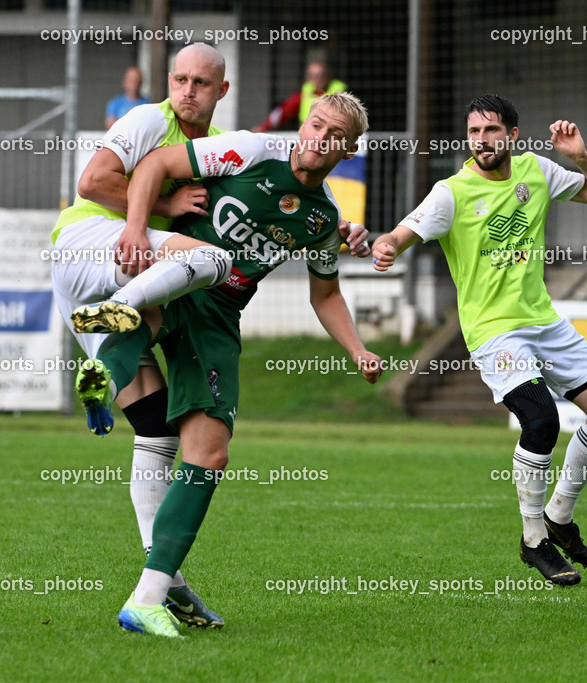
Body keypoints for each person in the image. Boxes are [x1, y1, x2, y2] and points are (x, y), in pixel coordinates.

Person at [71, 92, 382, 637]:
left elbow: (325, 294)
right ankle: (105, 369)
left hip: (219, 318)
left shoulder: (323, 218)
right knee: (154, 312)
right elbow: (156, 164)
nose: (319, 139)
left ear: (349, 150)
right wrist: (139, 228)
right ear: (304, 125)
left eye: (335, 136)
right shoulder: (251, 150)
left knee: (208, 455)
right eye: (316, 125)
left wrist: (356, 350)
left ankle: (147, 599)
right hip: (175, 269)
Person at [371, 94, 587, 586]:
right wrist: (386, 246)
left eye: (491, 131)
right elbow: (401, 234)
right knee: (540, 420)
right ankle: (534, 539)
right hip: (494, 332)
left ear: (511, 135)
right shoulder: (452, 192)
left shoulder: (537, 171)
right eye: (473, 132)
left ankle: (559, 515)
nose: (482, 141)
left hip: (545, 322)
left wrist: (580, 157)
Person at [50, 43, 231, 629]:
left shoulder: (216, 145)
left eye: (201, 82)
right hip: (91, 250)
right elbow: (93, 178)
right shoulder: (150, 119)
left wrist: (347, 230)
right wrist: (160, 205)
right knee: (210, 259)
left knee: (155, 426)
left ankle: (164, 584)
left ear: (220, 91)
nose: (188, 91)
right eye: (180, 78)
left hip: (104, 282)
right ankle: (118, 322)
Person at [251, 61, 346, 133]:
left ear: (328, 77)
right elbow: (282, 112)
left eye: (321, 75)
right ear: (307, 78)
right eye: (313, 75)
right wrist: (263, 127)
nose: (318, 79)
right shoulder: (303, 95)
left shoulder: (340, 94)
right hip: (309, 138)